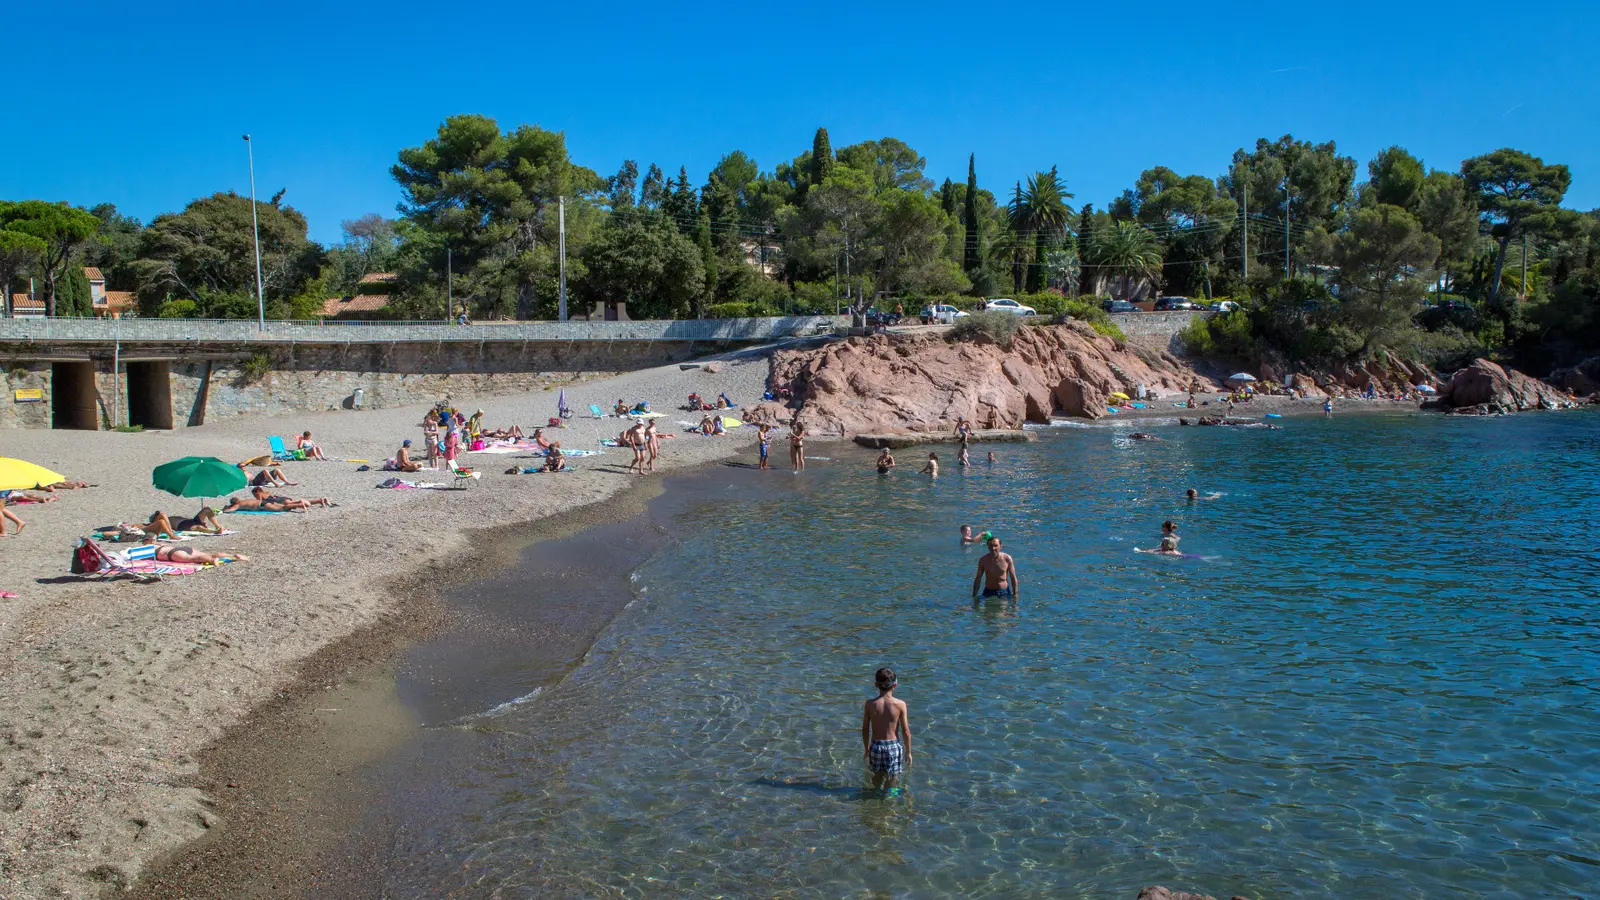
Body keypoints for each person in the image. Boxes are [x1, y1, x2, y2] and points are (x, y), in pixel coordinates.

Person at [861, 667, 912, 790]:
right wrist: (908, 752)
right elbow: (906, 731)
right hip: (893, 746)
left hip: (876, 746)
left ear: (875, 684)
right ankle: (890, 798)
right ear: (895, 685)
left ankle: (876, 794)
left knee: (877, 775)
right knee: (893, 777)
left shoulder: (870, 704)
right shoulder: (900, 705)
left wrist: (867, 749)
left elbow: (865, 729)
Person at [252, 486, 333, 510]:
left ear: (257, 492)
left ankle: (300, 502)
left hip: (279, 501)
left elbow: (259, 502)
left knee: (295, 503)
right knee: (294, 502)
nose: (254, 496)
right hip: (283, 498)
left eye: (254, 495)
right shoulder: (267, 492)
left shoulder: (259, 494)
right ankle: (320, 500)